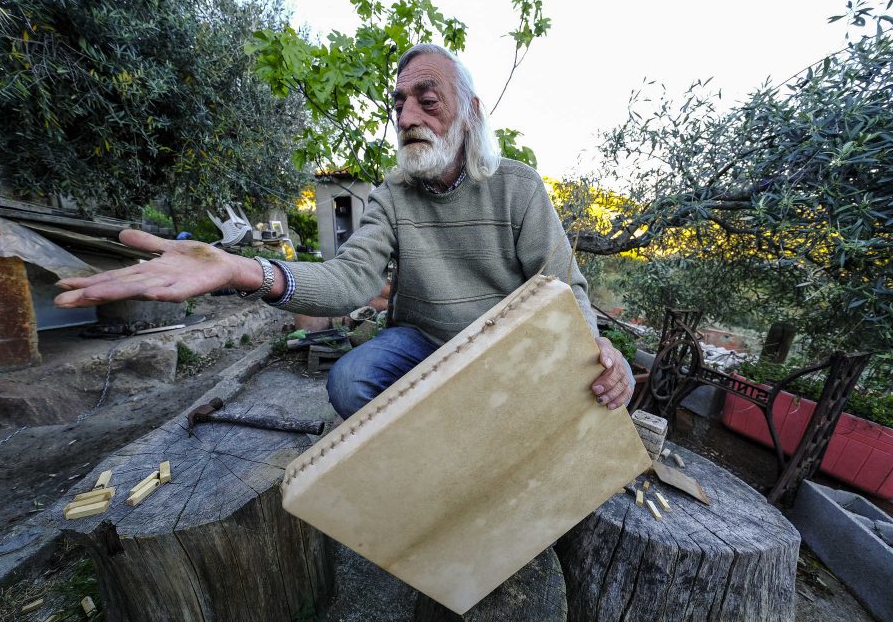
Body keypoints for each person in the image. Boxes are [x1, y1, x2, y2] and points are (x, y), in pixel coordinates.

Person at [56, 43, 634, 418]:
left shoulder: (519, 186)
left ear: (470, 114)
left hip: (504, 348)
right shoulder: (392, 194)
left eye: (427, 102)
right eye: (399, 105)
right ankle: (436, 462)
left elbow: (564, 289)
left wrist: (597, 347)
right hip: (425, 342)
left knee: (594, 385)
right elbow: (351, 278)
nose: (407, 118)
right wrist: (242, 269)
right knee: (351, 379)